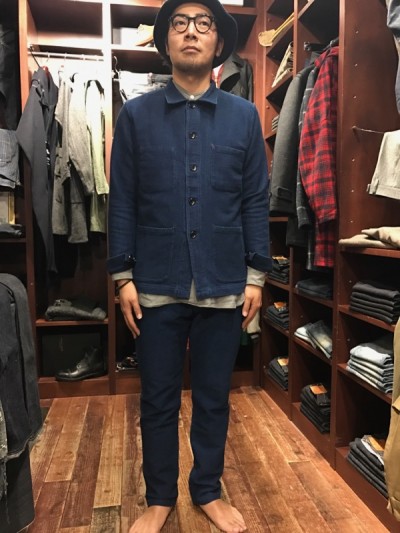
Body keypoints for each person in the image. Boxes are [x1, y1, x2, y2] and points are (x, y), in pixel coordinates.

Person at [107, 0, 271, 531]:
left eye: (203, 24)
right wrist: (122, 275)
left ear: (219, 43)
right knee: (156, 397)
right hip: (156, 280)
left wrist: (256, 274)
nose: (192, 32)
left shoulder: (245, 117)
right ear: (166, 41)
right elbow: (122, 199)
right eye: (179, 24)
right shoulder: (136, 116)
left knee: (213, 397)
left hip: (224, 279)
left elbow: (255, 199)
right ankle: (159, 497)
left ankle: (207, 490)